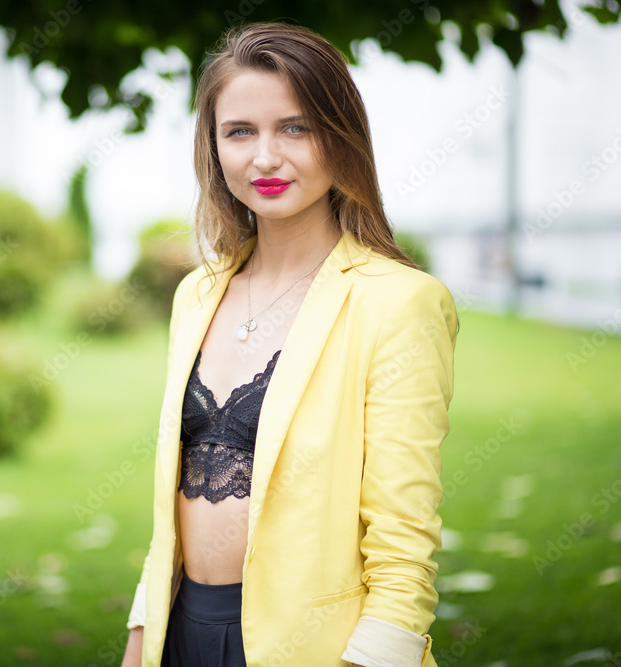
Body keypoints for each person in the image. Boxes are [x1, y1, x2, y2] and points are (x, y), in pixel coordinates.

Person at [120, 20, 460, 667]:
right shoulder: (197, 293)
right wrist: (141, 641)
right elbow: (170, 515)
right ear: (213, 146)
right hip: (182, 634)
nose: (265, 157)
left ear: (340, 136)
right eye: (239, 131)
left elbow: (403, 548)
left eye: (295, 127)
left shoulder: (399, 302)